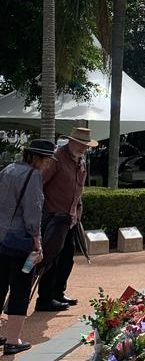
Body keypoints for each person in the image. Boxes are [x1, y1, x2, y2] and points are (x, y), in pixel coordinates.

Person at [0, 139, 56, 354]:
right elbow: (32, 213)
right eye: (47, 159)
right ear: (39, 158)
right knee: (21, 288)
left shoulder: (8, 169)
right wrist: (38, 243)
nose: (48, 164)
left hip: (1, 238)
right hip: (20, 242)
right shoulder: (32, 176)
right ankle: (13, 339)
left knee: (0, 284)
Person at [36, 126, 97, 312]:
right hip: (53, 217)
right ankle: (45, 299)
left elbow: (79, 189)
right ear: (71, 141)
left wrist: (77, 211)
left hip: (70, 218)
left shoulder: (81, 161)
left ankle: (58, 293)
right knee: (50, 259)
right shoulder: (55, 159)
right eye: (81, 143)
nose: (83, 147)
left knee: (67, 258)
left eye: (86, 145)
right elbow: (39, 183)